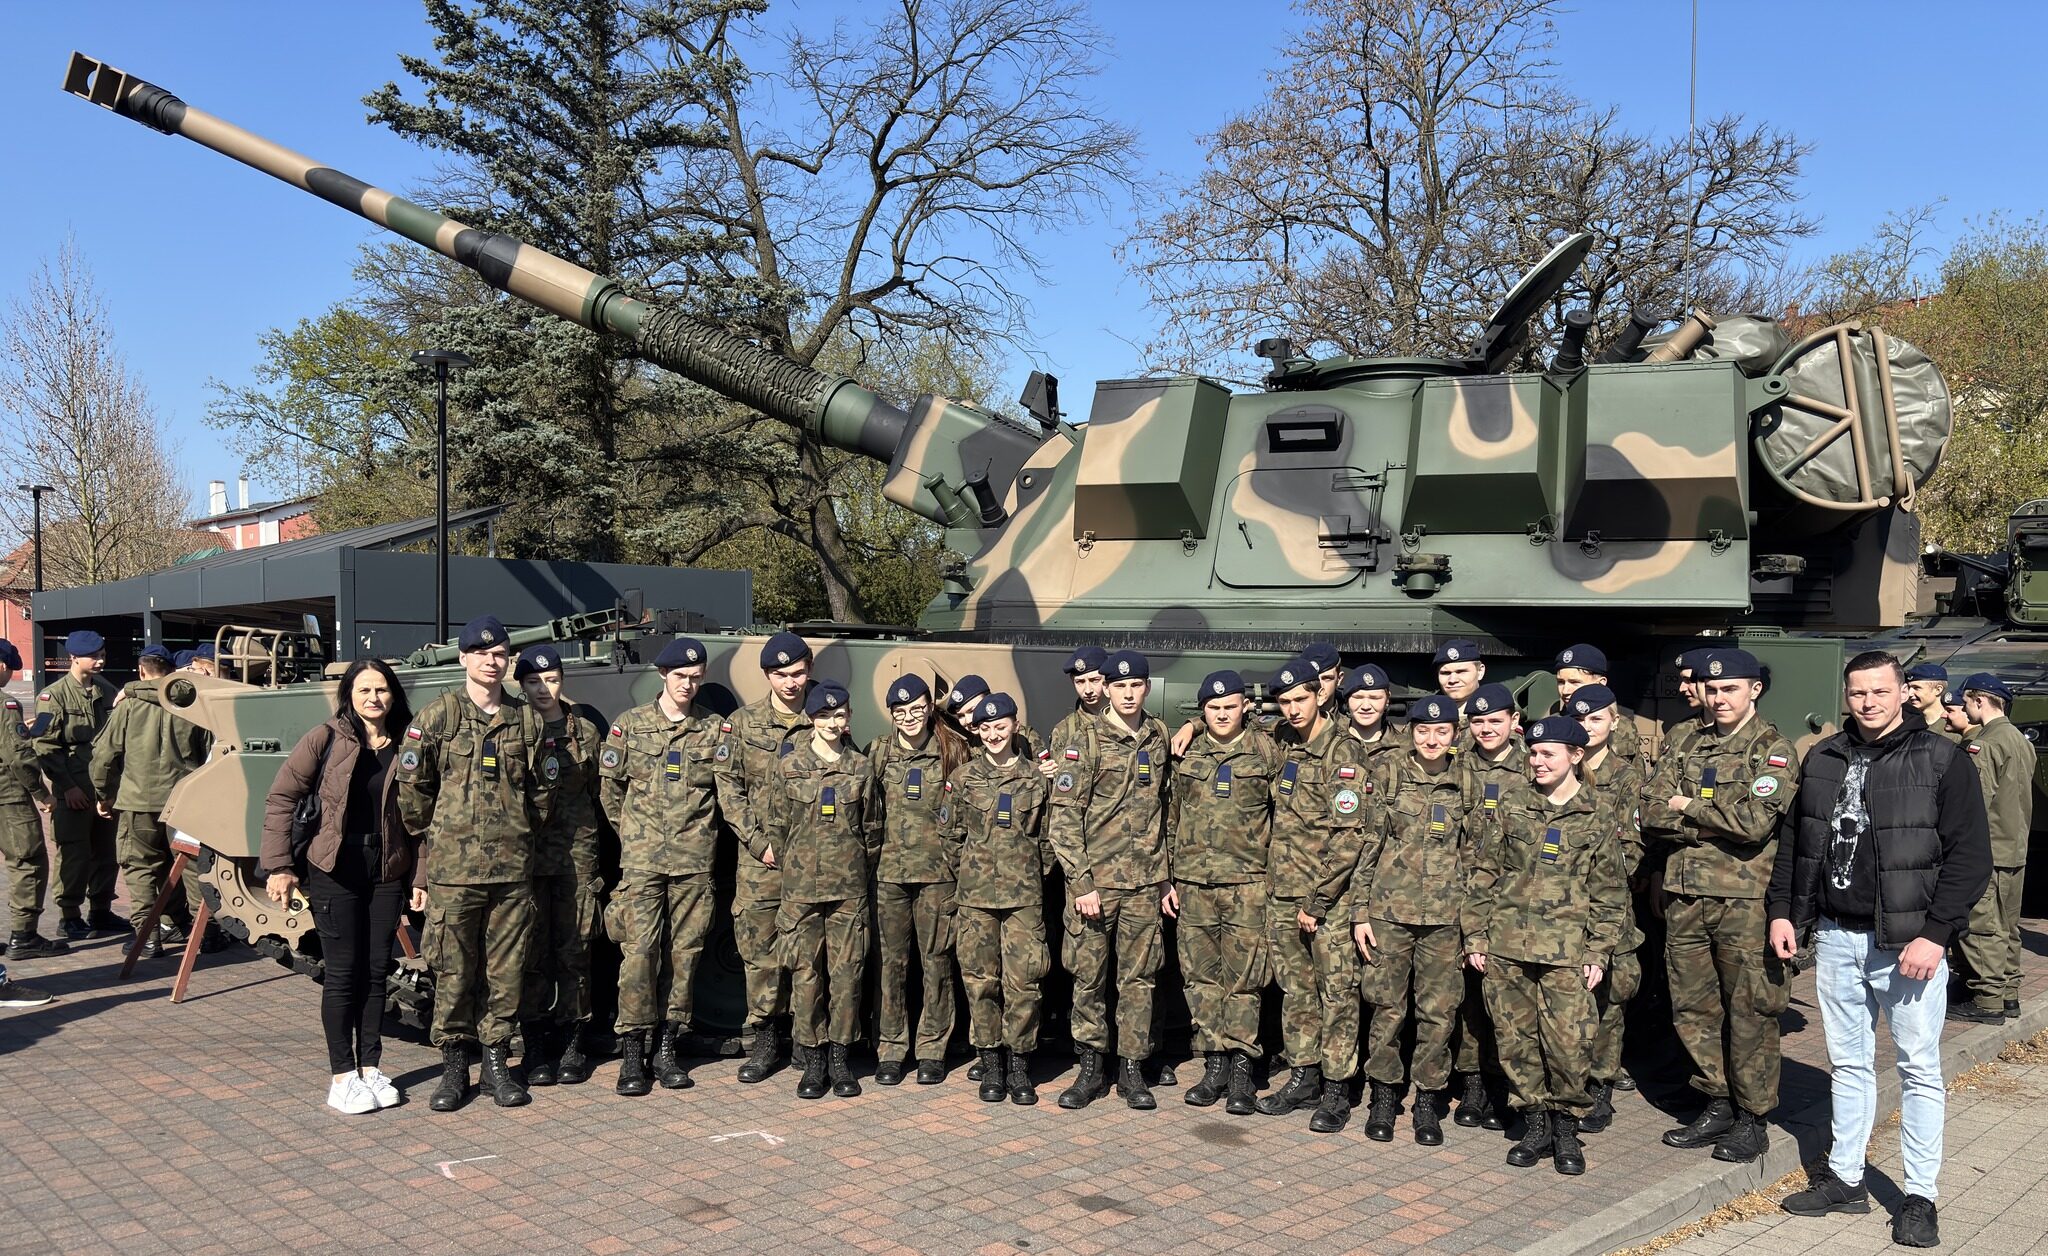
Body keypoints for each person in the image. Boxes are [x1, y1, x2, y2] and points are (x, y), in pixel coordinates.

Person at [1769, 650, 1991, 1249]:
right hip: (1838, 937)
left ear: (1903, 694)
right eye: (1857, 692)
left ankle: (1920, 1196)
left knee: (1918, 1069)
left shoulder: (1941, 759)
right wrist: (1784, 911)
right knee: (1849, 1064)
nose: (1867, 702)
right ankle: (1845, 1178)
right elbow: (1797, 841)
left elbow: (1971, 857)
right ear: (1847, 695)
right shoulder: (1824, 756)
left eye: (1879, 691)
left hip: (1908, 943)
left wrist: (1937, 933)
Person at [1640, 647, 1800, 1164]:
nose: (1718, 697)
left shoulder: (1772, 748)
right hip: (1687, 896)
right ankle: (1717, 1100)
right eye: (1711, 689)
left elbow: (1756, 823)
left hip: (1745, 901)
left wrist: (1686, 806)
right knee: (1692, 1006)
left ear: (1754, 689)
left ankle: (1753, 1118)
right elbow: (1649, 810)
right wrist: (1709, 819)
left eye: (1730, 688)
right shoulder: (1684, 737)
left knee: (1750, 1009)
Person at [397, 615, 550, 1112]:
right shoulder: (438, 716)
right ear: (463, 658)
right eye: (481, 653)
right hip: (454, 873)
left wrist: (517, 833)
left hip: (511, 872)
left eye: (500, 653)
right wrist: (439, 836)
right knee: (453, 971)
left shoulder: (526, 719)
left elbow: (542, 793)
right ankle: (453, 1070)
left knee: (506, 973)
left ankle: (497, 1068)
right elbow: (412, 792)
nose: (491, 660)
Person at [1465, 716, 1626, 1175]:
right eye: (1533, 753)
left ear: (1575, 756)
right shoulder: (1513, 803)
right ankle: (1534, 1122)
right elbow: (1484, 874)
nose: (1536, 761)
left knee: (1571, 1042)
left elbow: (1610, 891)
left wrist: (1599, 950)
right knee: (1515, 1040)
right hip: (1507, 945)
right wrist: (1476, 935)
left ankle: (1566, 1128)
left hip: (1567, 951)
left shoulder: (1596, 813)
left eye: (1547, 754)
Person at [260, 659, 418, 1114]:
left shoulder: (408, 742)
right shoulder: (325, 738)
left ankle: (371, 1068)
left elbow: (421, 817)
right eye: (365, 689)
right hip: (333, 867)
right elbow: (282, 798)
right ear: (349, 694)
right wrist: (279, 866)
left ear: (393, 695)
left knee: (375, 972)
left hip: (385, 869)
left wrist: (419, 876)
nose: (374, 698)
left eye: (382, 690)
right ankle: (342, 1075)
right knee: (343, 973)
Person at [599, 636, 731, 1096]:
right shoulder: (630, 727)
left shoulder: (715, 730)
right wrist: (636, 836)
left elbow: (725, 791)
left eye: (696, 678)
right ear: (663, 676)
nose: (688, 685)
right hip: (643, 863)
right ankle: (633, 1053)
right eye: (680, 677)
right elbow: (611, 791)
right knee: (638, 955)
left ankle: (668, 1049)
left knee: (685, 955)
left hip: (694, 863)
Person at [1047, 648, 1170, 1111]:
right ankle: (1090, 1067)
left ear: (1146, 687)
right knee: (1089, 979)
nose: (1127, 693)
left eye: (1135, 685)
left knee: (1139, 981)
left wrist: (1162, 877)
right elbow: (1064, 820)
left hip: (1142, 884)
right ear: (1108, 690)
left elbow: (1166, 807)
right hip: (1095, 886)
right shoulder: (1085, 741)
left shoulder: (1157, 736)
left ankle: (1132, 1069)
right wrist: (1082, 884)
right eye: (1119, 686)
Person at [1349, 694, 1469, 1145]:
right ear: (1412, 733)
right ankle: (1384, 1094)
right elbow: (1369, 844)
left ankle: (1428, 1100)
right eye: (1423, 730)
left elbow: (1477, 855)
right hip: (1389, 913)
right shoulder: (1389, 775)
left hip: (1445, 917)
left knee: (1438, 1012)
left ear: (1456, 734)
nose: (1432, 739)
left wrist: (1471, 925)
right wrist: (1361, 911)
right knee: (1386, 1006)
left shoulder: (1467, 782)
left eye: (1441, 731)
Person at [1260, 658, 1369, 1132]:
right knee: (1296, 991)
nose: (1292, 709)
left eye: (1300, 699)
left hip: (1326, 900)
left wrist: (1317, 901)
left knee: (1337, 992)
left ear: (1320, 695)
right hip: (1283, 891)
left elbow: (1350, 837)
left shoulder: (1343, 752)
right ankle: (1303, 1076)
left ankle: (1337, 1090)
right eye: (1284, 702)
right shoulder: (1283, 741)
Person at [1164, 670, 1278, 1116]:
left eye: (1229, 706)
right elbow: (1172, 815)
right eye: (1212, 708)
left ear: (1244, 707)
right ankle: (1214, 1065)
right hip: (1193, 883)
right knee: (1200, 977)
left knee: (1245, 980)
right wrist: (1169, 878)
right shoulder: (1187, 750)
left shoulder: (1267, 749)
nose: (1222, 714)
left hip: (1248, 884)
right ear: (1202, 711)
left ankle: (1242, 1069)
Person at [764, 679, 875, 1099]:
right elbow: (777, 823)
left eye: (840, 714)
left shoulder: (860, 767)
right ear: (811, 719)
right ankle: (812, 1060)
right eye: (824, 715)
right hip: (801, 891)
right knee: (807, 975)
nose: (832, 722)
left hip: (848, 889)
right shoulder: (789, 766)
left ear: (849, 718)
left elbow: (872, 829)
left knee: (847, 976)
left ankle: (840, 1060)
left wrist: (857, 871)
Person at [715, 631, 812, 1084]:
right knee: (760, 952)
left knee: (810, 953)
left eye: (797, 673)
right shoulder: (744, 723)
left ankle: (806, 1040)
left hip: (813, 861)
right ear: (768, 676)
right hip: (762, 861)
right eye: (780, 675)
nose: (790, 683)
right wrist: (758, 843)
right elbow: (729, 789)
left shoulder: (825, 716)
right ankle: (767, 1040)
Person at [866, 674, 969, 1085]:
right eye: (901, 711)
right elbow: (869, 812)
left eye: (916, 709)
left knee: (936, 963)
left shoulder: (953, 749)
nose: (909, 718)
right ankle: (891, 1048)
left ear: (929, 707)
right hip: (890, 875)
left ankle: (931, 1049)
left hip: (939, 876)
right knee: (891, 964)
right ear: (891, 714)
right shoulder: (879, 752)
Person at [951, 691, 1052, 1104]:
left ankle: (1020, 1064)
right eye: (986, 727)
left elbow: (1048, 838)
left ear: (1014, 725)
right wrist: (972, 869)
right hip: (976, 897)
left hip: (1024, 897)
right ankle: (990, 1063)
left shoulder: (1036, 778)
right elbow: (950, 834)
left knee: (1024, 982)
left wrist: (1029, 869)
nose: (993, 734)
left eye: (1001, 725)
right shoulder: (963, 778)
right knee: (980, 982)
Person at [512, 645, 603, 1087]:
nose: (543, 689)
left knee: (574, 953)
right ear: (521, 685)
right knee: (529, 953)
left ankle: (572, 1044)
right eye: (533, 682)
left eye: (550, 680)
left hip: (575, 859)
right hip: (524, 856)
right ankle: (534, 1046)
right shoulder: (510, 729)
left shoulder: (585, 732)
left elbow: (601, 793)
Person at [89, 646, 212, 958]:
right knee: (192, 866)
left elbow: (103, 757)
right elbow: (211, 755)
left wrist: (104, 796)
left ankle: (148, 936)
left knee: (140, 868)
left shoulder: (126, 708)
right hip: (184, 802)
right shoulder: (190, 704)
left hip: (137, 802)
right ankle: (206, 934)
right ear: (171, 671)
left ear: (141, 671)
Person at [1566, 684, 1647, 1132]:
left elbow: (1632, 848)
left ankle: (1600, 1087)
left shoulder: (1627, 777)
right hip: (1557, 910)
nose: (1586, 727)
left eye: (1596, 719)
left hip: (1607, 907)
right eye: (1578, 720)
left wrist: (1590, 879)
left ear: (1614, 723)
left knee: (1608, 1001)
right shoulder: (1553, 769)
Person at [1450, 681, 1521, 1130]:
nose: (1486, 729)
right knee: (1466, 999)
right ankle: (1472, 1083)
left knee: (1503, 997)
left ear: (1514, 722)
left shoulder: (1533, 768)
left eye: (1495, 720)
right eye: (1478, 721)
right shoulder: (1456, 765)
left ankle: (1501, 1085)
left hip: (1508, 899)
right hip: (1457, 895)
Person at [1951, 672, 2036, 1025]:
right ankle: (2008, 993)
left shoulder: (1984, 744)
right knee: (2008, 924)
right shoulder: (2019, 739)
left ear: (1979, 700)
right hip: (2014, 846)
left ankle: (1987, 1000)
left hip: (1989, 848)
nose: (1963, 708)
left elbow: (1974, 801)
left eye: (1966, 701)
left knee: (1983, 924)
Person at [32, 629, 121, 940]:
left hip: (103, 787)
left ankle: (101, 910)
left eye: (102, 655)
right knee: (74, 852)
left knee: (106, 851)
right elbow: (44, 746)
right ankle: (69, 915)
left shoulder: (108, 691)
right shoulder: (52, 696)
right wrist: (66, 787)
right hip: (73, 786)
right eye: (93, 656)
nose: (99, 661)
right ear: (73, 658)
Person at [0, 639, 63, 961]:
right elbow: (18, 758)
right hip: (7, 798)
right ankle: (24, 936)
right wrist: (42, 793)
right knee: (28, 862)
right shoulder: (5, 704)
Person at [1552, 644, 1657, 765]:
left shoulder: (1624, 728)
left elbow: (1634, 775)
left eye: (1575, 682)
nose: (1565, 691)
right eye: (1560, 682)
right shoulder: (1552, 726)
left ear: (1600, 683)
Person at [1041, 647, 1108, 778]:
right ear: (1073, 681)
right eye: (1080, 682)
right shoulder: (1064, 731)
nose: (1088, 690)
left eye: (1095, 680)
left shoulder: (1129, 720)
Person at [1338, 664, 1402, 774]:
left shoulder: (1405, 745)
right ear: (1347, 700)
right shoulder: (1329, 739)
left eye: (1374, 698)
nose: (1366, 706)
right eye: (1358, 698)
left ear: (1387, 700)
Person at [1902, 663, 1955, 745]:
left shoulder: (1953, 727)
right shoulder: (1906, 724)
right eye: (1908, 688)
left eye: (1917, 688)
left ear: (1938, 690)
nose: (1910, 693)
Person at [1434, 640, 1485, 709]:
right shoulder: (1422, 712)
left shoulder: (1498, 712)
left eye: (1461, 672)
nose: (1452, 680)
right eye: (1446, 673)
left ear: (1480, 671)